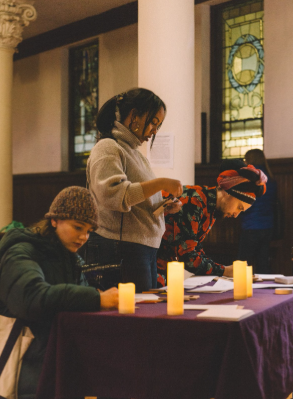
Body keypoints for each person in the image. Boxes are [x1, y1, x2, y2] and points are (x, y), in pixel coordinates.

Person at [0, 186, 118, 399]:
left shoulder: (70, 258)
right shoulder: (21, 250)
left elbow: (77, 299)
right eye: (78, 227)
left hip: (53, 358)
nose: (83, 237)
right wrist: (96, 298)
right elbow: (31, 298)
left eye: (89, 231)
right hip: (26, 360)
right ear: (55, 220)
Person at [86, 88, 182, 293]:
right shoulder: (108, 147)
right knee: (135, 319)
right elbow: (114, 195)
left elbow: (136, 199)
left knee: (145, 313)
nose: (155, 130)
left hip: (142, 247)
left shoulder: (135, 154)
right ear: (135, 116)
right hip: (122, 248)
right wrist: (162, 183)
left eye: (159, 125)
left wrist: (162, 207)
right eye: (154, 122)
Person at [157, 159, 268, 284]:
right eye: (239, 207)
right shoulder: (194, 201)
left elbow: (194, 248)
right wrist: (225, 271)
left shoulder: (209, 206)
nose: (236, 215)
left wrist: (225, 270)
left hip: (161, 268)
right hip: (147, 261)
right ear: (227, 193)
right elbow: (188, 257)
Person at [237, 149, 278, 274]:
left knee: (242, 262)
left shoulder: (250, 177)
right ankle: (265, 291)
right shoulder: (270, 178)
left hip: (251, 224)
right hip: (267, 226)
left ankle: (240, 289)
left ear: (249, 160)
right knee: (263, 263)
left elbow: (245, 202)